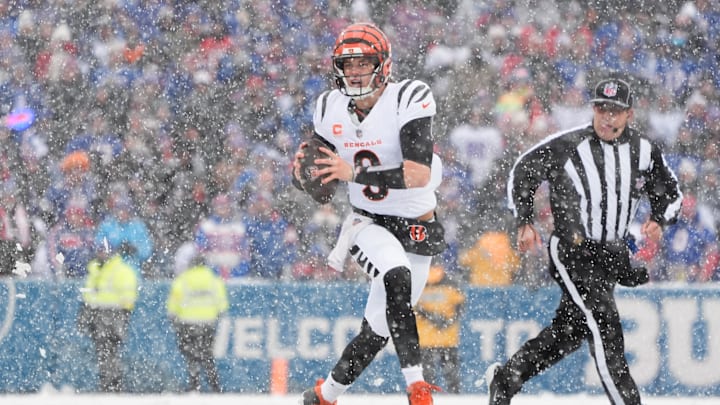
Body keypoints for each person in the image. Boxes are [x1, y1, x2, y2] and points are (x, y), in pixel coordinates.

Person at [487, 78, 684, 405]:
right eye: (601, 109)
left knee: (570, 332)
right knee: (606, 325)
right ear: (593, 109)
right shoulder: (568, 145)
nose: (608, 117)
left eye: (615, 111)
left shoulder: (644, 150)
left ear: (629, 114)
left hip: (609, 256)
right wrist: (524, 220)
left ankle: (506, 380)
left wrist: (659, 218)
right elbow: (523, 171)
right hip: (572, 250)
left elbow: (670, 191)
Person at [291, 22, 446, 405]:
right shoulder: (329, 107)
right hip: (369, 223)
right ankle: (417, 386)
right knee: (397, 276)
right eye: (348, 64)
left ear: (384, 64)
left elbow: (417, 173)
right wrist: (301, 176)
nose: (356, 71)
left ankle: (323, 396)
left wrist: (353, 172)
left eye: (364, 63)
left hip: (418, 228)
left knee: (377, 331)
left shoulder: (409, 97)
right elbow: (322, 186)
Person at [77, 243, 139, 392]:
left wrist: (123, 314)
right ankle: (110, 382)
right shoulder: (97, 270)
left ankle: (112, 382)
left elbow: (128, 294)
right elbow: (89, 295)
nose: (102, 254)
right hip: (101, 315)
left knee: (108, 349)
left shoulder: (116, 270)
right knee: (105, 351)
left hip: (112, 314)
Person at [166, 252, 229, 392]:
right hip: (207, 323)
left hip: (187, 323)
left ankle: (194, 385)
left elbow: (173, 305)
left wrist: (174, 319)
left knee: (191, 356)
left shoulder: (182, 280)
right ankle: (215, 386)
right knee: (207, 355)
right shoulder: (214, 280)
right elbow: (222, 306)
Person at [415, 265, 465, 394]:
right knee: (452, 377)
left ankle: (427, 398)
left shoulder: (418, 286)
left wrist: (430, 316)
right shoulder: (451, 287)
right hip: (447, 338)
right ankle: (455, 398)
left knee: (427, 377)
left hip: (424, 338)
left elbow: (413, 307)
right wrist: (447, 321)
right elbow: (460, 307)